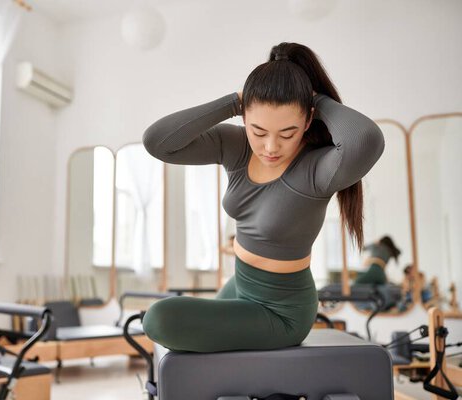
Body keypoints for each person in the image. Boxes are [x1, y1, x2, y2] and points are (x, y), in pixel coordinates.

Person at [141, 42, 384, 352]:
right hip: (240, 285)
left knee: (159, 319)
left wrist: (314, 99)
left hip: (281, 312)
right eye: (258, 131)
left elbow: (366, 138)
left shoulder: (317, 170)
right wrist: (233, 102)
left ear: (308, 121)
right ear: (244, 119)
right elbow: (158, 142)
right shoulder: (237, 147)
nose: (270, 147)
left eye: (287, 133)